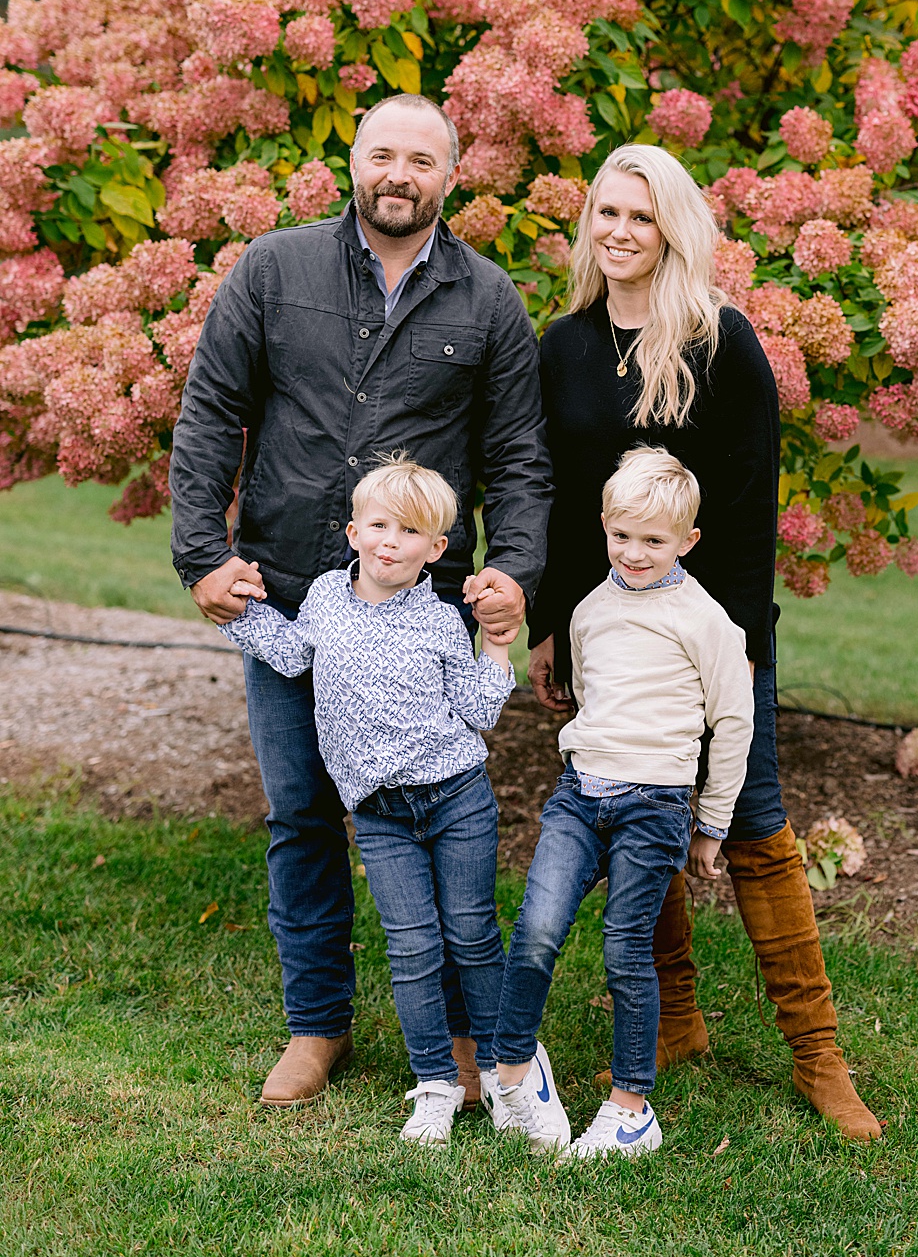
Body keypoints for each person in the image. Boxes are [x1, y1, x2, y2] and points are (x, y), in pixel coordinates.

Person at [169, 93, 553, 1108]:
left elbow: (518, 455)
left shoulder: (489, 301)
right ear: (352, 162)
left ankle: (463, 1039)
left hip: (422, 617)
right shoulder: (273, 269)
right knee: (301, 814)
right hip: (288, 591)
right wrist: (200, 555)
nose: (400, 174)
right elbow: (211, 406)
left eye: (421, 161)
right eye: (383, 154)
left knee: (438, 826)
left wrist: (512, 572)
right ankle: (317, 1024)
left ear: (450, 175)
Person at [527, 143, 881, 1142]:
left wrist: (728, 654)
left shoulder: (721, 342)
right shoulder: (563, 346)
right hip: (603, 631)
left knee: (758, 826)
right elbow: (560, 504)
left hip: (709, 631)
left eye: (641, 216)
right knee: (636, 807)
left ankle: (817, 1055)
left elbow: (746, 510)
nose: (620, 232)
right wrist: (553, 625)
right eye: (605, 212)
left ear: (674, 227)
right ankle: (674, 1022)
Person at [218, 457, 516, 1147]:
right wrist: (239, 609)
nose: (391, 541)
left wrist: (499, 647)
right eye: (378, 525)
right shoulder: (324, 598)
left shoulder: (442, 620)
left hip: (457, 800)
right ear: (353, 531)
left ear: (436, 548)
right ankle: (436, 1084)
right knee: (412, 947)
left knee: (471, 936)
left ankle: (507, 1075)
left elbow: (477, 708)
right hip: (380, 815)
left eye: (410, 531)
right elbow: (291, 655)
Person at [491, 447, 753, 1159]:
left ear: (687, 541)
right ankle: (512, 1071)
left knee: (623, 948)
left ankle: (631, 1106)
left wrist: (712, 824)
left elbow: (734, 721)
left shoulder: (705, 620)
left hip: (655, 803)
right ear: (604, 524)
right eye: (623, 536)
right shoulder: (588, 610)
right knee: (537, 927)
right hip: (580, 795)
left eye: (655, 541)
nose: (635, 553)